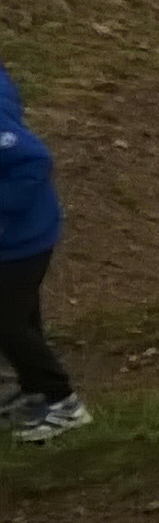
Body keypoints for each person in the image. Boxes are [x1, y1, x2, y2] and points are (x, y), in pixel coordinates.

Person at [0, 59, 88, 444]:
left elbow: (35, 159)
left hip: (21, 239)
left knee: (7, 324)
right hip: (19, 235)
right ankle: (35, 388)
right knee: (21, 317)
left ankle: (65, 402)